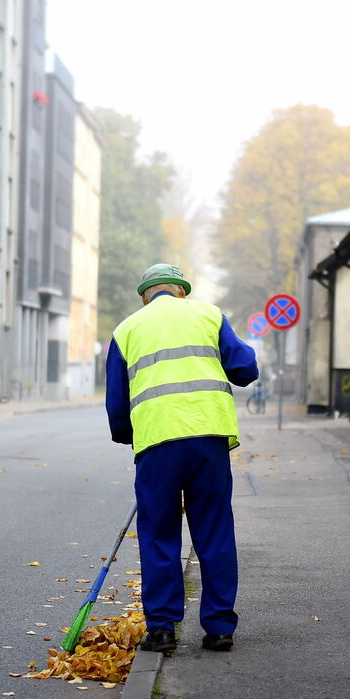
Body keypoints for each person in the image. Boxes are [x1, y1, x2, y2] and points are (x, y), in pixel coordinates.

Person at [105, 263, 258, 653]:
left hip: (156, 443)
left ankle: (162, 628)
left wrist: (129, 436)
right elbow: (245, 369)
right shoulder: (209, 314)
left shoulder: (126, 329)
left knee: (159, 536)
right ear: (181, 291)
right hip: (208, 439)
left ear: (145, 296)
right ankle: (219, 627)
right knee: (215, 531)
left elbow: (117, 403)